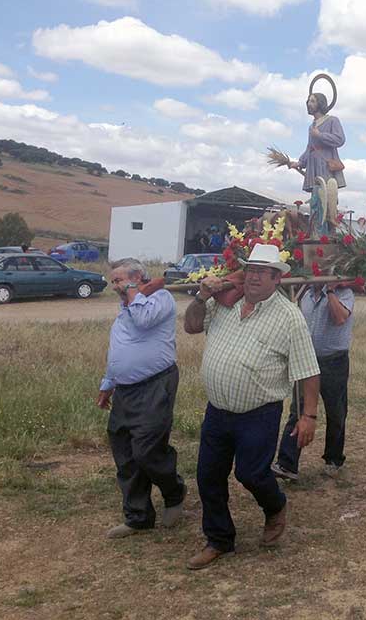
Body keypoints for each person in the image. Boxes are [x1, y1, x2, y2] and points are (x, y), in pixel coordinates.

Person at [183, 244, 321, 570]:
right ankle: (219, 539)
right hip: (218, 410)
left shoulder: (289, 318)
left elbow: (308, 371)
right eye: (251, 269)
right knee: (208, 476)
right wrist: (202, 296)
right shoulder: (224, 304)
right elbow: (190, 326)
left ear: (276, 278)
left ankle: (275, 507)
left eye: (263, 271)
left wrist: (309, 416)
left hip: (259, 412)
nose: (255, 276)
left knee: (251, 473)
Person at [97, 258, 186, 540]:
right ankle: (138, 517)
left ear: (137, 277)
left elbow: (144, 319)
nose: (116, 286)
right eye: (114, 281)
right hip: (125, 389)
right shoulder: (125, 307)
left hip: (155, 384)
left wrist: (134, 292)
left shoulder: (161, 299)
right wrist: (108, 383)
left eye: (120, 280)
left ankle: (174, 492)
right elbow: (119, 348)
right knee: (124, 450)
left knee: (147, 449)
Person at [274, 281, 354, 480]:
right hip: (307, 361)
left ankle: (333, 459)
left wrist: (330, 291)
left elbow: (340, 318)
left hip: (334, 360)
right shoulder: (305, 293)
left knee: (336, 412)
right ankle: (287, 463)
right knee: (299, 410)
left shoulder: (345, 293)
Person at [290, 92, 346, 194]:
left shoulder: (332, 120)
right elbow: (310, 148)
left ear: (320, 103)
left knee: (327, 195)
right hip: (313, 165)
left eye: (312, 101)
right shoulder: (311, 126)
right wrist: (300, 162)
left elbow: (340, 139)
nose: (309, 104)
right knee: (316, 196)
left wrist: (320, 135)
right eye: (308, 101)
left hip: (325, 164)